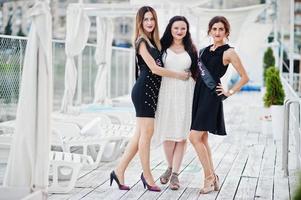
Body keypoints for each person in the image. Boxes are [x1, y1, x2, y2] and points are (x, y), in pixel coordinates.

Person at [110, 6, 189, 192]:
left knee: (139, 137)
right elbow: (154, 69)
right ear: (140, 21)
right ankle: (147, 175)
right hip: (143, 91)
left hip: (152, 92)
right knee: (146, 135)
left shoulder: (154, 42)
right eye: (146, 19)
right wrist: (179, 75)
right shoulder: (141, 42)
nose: (150, 22)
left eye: (152, 19)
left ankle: (118, 171)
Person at [189, 16, 249, 194]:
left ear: (226, 32)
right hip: (199, 95)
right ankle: (213, 177)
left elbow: (245, 77)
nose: (217, 32)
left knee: (194, 137)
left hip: (211, 97)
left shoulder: (229, 52)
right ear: (209, 31)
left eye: (221, 29)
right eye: (214, 29)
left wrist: (229, 92)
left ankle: (208, 178)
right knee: (203, 138)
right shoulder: (203, 51)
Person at [154, 16, 198, 190]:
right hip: (167, 93)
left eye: (183, 29)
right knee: (168, 133)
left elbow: (196, 72)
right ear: (170, 29)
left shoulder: (191, 49)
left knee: (181, 135)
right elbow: (156, 70)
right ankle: (170, 167)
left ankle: (175, 174)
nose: (179, 31)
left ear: (187, 31)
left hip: (186, 94)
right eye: (176, 28)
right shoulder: (161, 48)